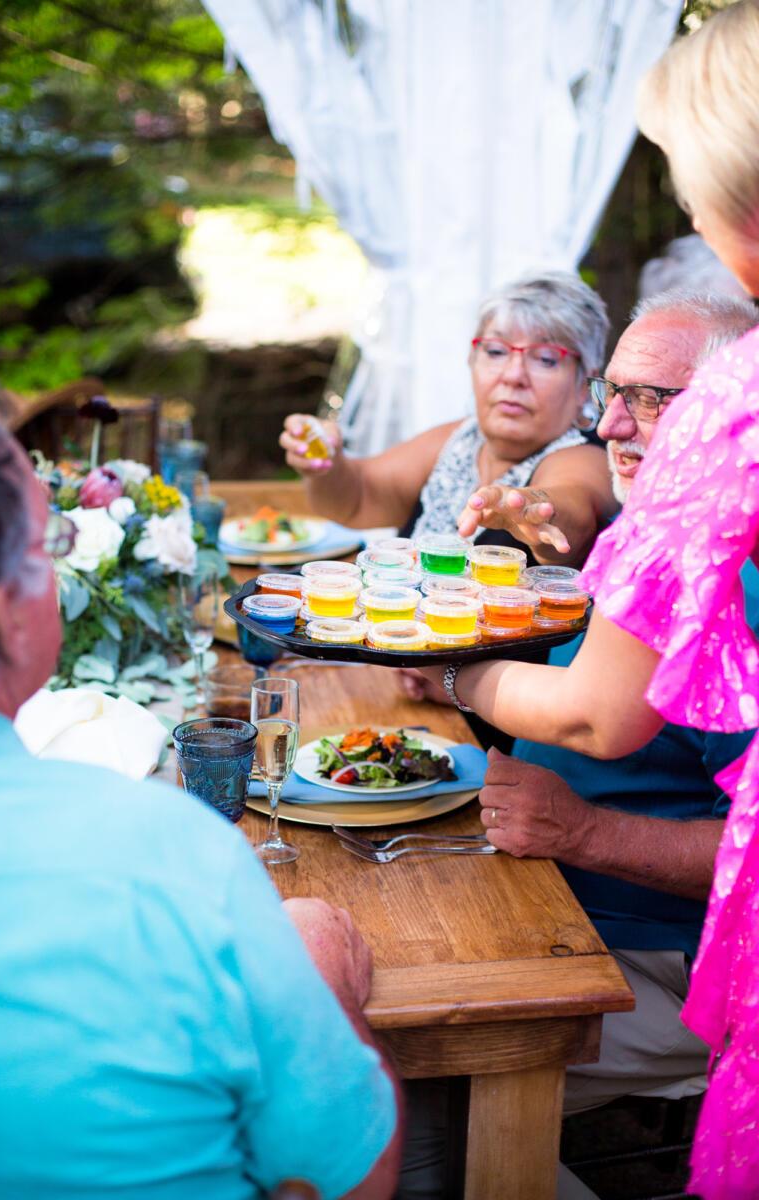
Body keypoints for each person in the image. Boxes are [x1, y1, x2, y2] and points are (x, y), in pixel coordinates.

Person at [418, 4, 759, 1196]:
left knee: (405, 1080)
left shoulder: (724, 477)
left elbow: (601, 719)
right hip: (561, 901)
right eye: (606, 396)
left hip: (670, 949)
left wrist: (581, 826)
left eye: (650, 401)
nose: (612, 428)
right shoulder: (656, 487)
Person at [0, 390, 402, 1198]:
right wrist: (324, 983)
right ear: (4, 610)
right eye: (49, 545)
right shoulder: (169, 852)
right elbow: (355, 1174)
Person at [281, 272, 617, 566]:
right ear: (472, 360)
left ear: (583, 386)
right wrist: (325, 462)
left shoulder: (587, 457)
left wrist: (531, 507)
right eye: (496, 351)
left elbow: (573, 509)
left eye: (546, 359)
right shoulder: (457, 439)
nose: (514, 375)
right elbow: (355, 500)